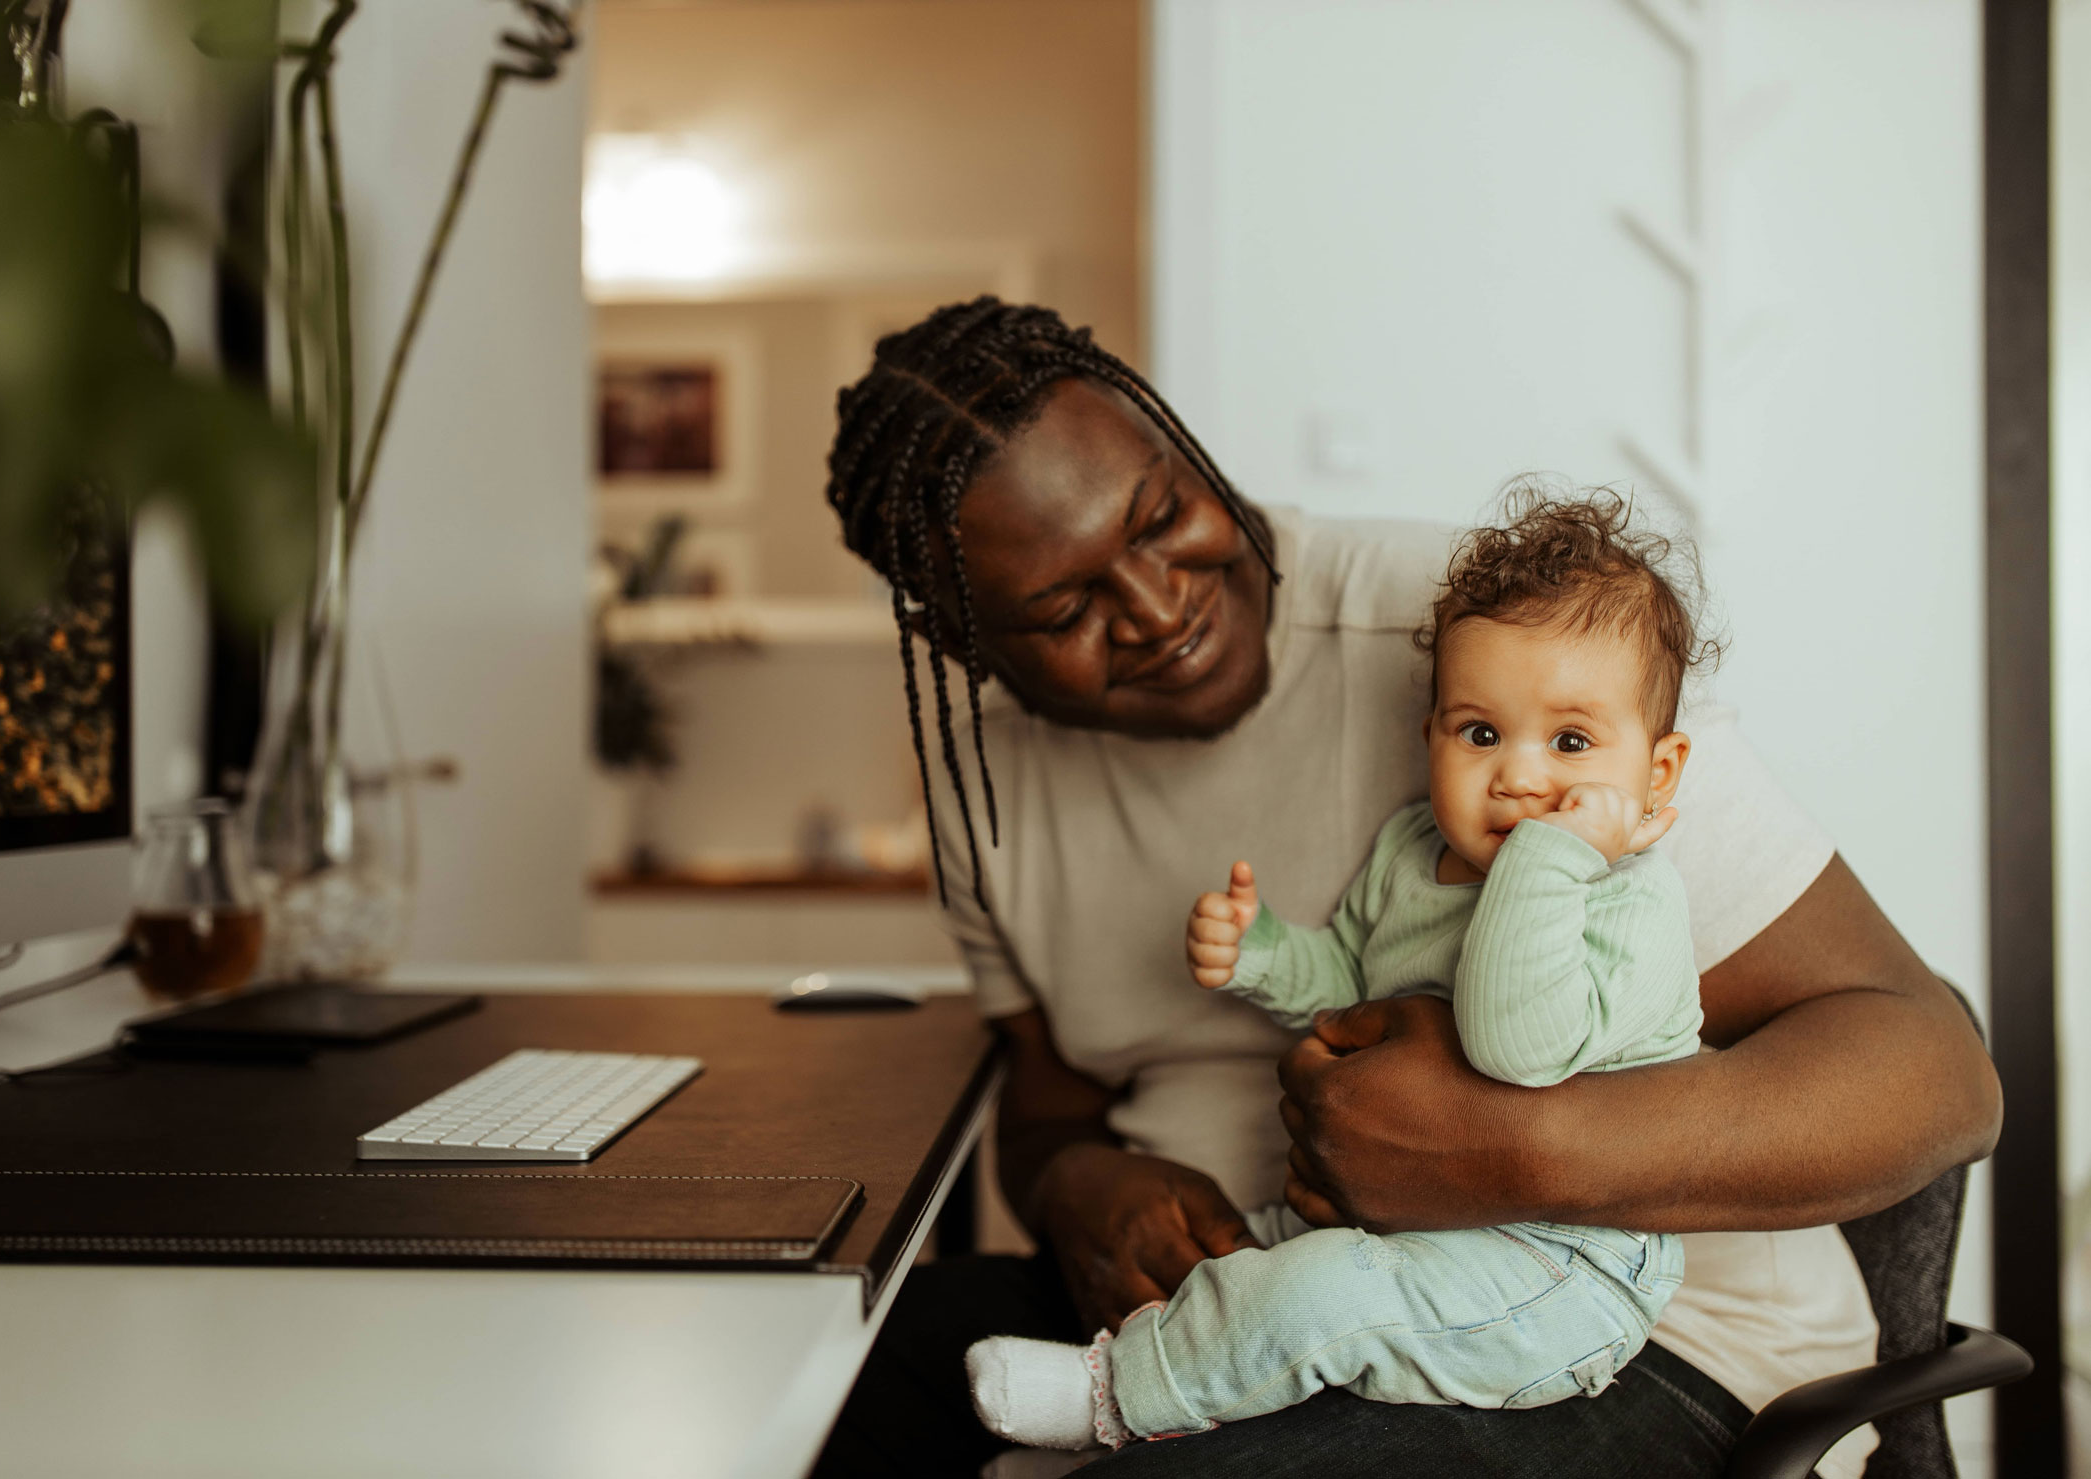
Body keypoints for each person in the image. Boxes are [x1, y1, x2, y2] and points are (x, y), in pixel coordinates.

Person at [808, 298, 2000, 1479]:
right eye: (1065, 608)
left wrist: (1514, 1148)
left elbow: (1934, 1079)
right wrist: (1076, 1183)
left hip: (1618, 1330)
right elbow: (1046, 1106)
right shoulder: (986, 785)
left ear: (1185, 451)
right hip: (1238, 1292)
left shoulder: (1495, 650)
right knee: (827, 1381)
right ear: (963, 645)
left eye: (1164, 516)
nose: (1160, 606)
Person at [965, 493, 1710, 1449]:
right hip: (1416, 1235)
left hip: (1561, 1268)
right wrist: (1262, 949)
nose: (1520, 778)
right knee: (1238, 1262)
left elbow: (1515, 1044)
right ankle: (1191, 1383)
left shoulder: (1628, 902)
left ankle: (1112, 1402)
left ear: (1658, 773)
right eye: (1479, 733)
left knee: (1317, 1294)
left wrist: (1547, 857)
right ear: (1432, 734)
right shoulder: (1411, 853)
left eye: (1570, 743)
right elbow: (1350, 985)